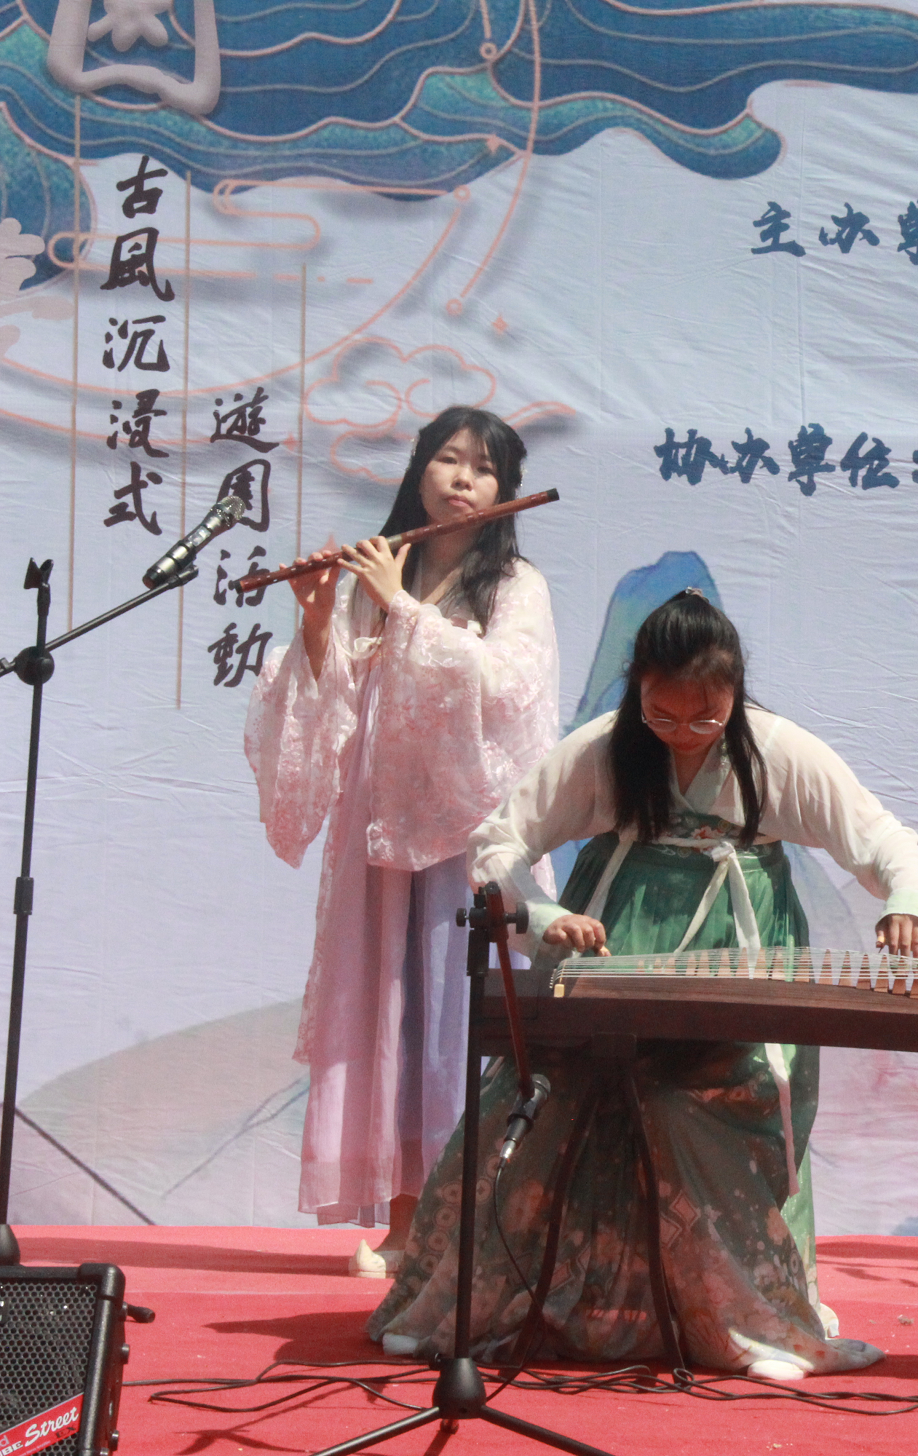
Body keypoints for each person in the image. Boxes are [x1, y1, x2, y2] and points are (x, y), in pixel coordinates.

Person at [367, 590, 918, 1377]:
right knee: (554, 1101)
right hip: (616, 942)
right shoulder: (607, 748)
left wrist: (907, 901)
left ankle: (735, 1315)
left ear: (734, 692)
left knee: (709, 1109)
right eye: (661, 715)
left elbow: (877, 837)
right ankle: (503, 1302)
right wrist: (543, 917)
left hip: (740, 956)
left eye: (706, 718)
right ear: (636, 689)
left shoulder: (776, 751)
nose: (683, 733)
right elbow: (500, 841)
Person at [245, 407, 560, 1273]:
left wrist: (402, 611)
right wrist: (320, 619)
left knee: (457, 1020)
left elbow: (510, 690)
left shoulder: (516, 586)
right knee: (389, 1019)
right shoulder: (378, 572)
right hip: (381, 829)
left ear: (504, 490)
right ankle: (406, 1223)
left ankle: (472, 1223)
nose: (463, 480)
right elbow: (334, 705)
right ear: (419, 469)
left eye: (484, 469)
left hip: (464, 829)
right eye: (448, 460)